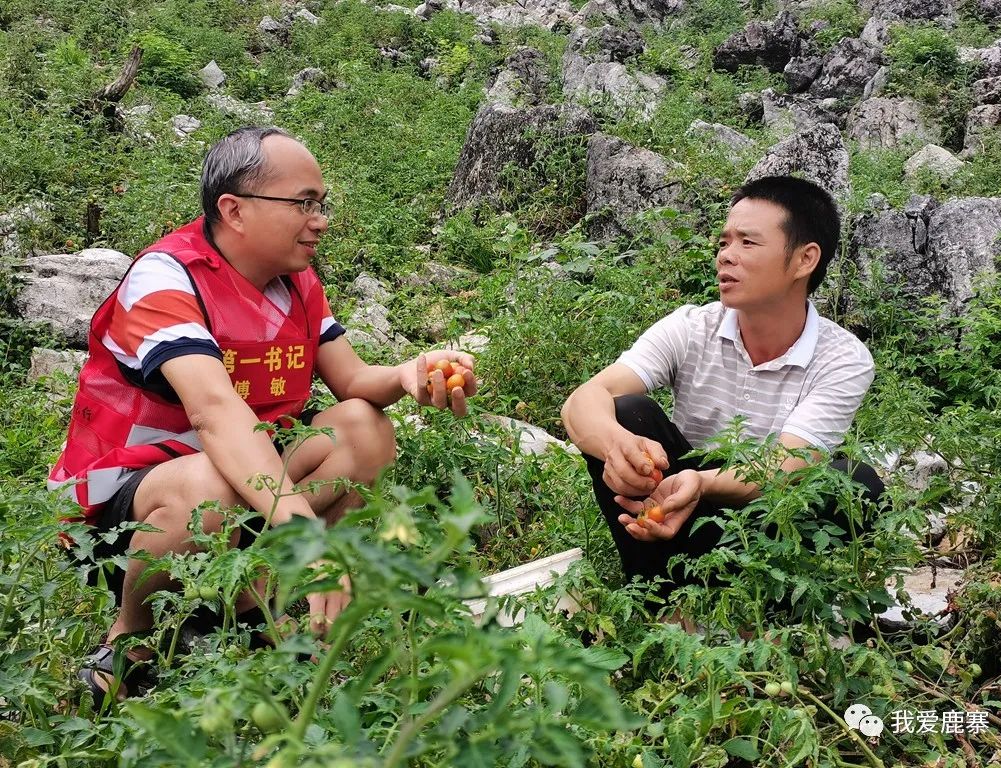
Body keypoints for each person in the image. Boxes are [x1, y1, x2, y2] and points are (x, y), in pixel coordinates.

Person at [49, 126, 478, 705]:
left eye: (321, 203)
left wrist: (406, 374)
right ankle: (133, 638)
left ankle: (257, 607)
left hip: (245, 479)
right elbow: (215, 412)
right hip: (128, 501)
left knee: (365, 426)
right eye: (303, 203)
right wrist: (307, 535)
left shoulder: (297, 282)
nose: (320, 219)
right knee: (208, 486)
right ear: (235, 209)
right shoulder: (167, 278)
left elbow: (351, 380)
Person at [560, 175, 883, 610]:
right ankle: (659, 600)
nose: (725, 256)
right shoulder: (693, 326)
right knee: (627, 412)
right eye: (724, 242)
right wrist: (618, 447)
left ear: (805, 259)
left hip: (765, 529)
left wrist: (701, 482)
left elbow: (787, 465)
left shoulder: (843, 358)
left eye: (747, 243)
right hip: (671, 513)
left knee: (856, 482)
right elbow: (586, 398)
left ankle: (774, 609)